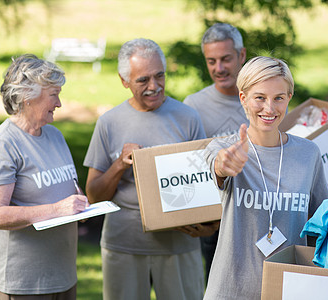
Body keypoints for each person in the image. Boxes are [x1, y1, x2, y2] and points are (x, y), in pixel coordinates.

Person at [83, 38, 211, 300]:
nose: (154, 86)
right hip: (124, 245)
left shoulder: (188, 117)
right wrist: (120, 164)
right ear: (124, 80)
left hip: (179, 246)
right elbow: (94, 197)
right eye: (143, 80)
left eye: (159, 76)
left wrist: (207, 226)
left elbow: (204, 186)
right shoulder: (108, 123)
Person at [203, 56, 328, 299]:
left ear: (289, 98)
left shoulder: (308, 153)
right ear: (243, 98)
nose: (269, 109)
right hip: (231, 291)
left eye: (278, 98)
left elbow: (321, 223)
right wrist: (225, 165)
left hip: (289, 291)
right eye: (259, 98)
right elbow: (219, 167)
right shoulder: (224, 149)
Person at [0, 54, 88, 299]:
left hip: (64, 274)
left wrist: (79, 204)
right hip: (25, 282)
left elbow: (65, 188)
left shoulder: (55, 135)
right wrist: (58, 208)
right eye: (53, 94)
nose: (59, 103)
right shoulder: (5, 143)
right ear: (27, 96)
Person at [183, 22, 248, 281]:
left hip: (258, 216)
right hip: (214, 226)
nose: (218, 68)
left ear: (241, 55)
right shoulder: (193, 106)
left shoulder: (264, 101)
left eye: (225, 59)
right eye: (211, 61)